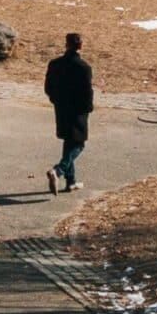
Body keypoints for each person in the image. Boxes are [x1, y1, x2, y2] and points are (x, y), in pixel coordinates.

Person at [44, 32, 95, 194]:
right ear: (81, 46)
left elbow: (48, 87)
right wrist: (88, 108)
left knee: (68, 142)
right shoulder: (84, 67)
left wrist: (55, 100)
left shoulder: (55, 64)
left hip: (61, 108)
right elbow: (87, 92)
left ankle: (70, 182)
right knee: (79, 144)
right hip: (78, 111)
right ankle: (58, 171)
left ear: (66, 44)